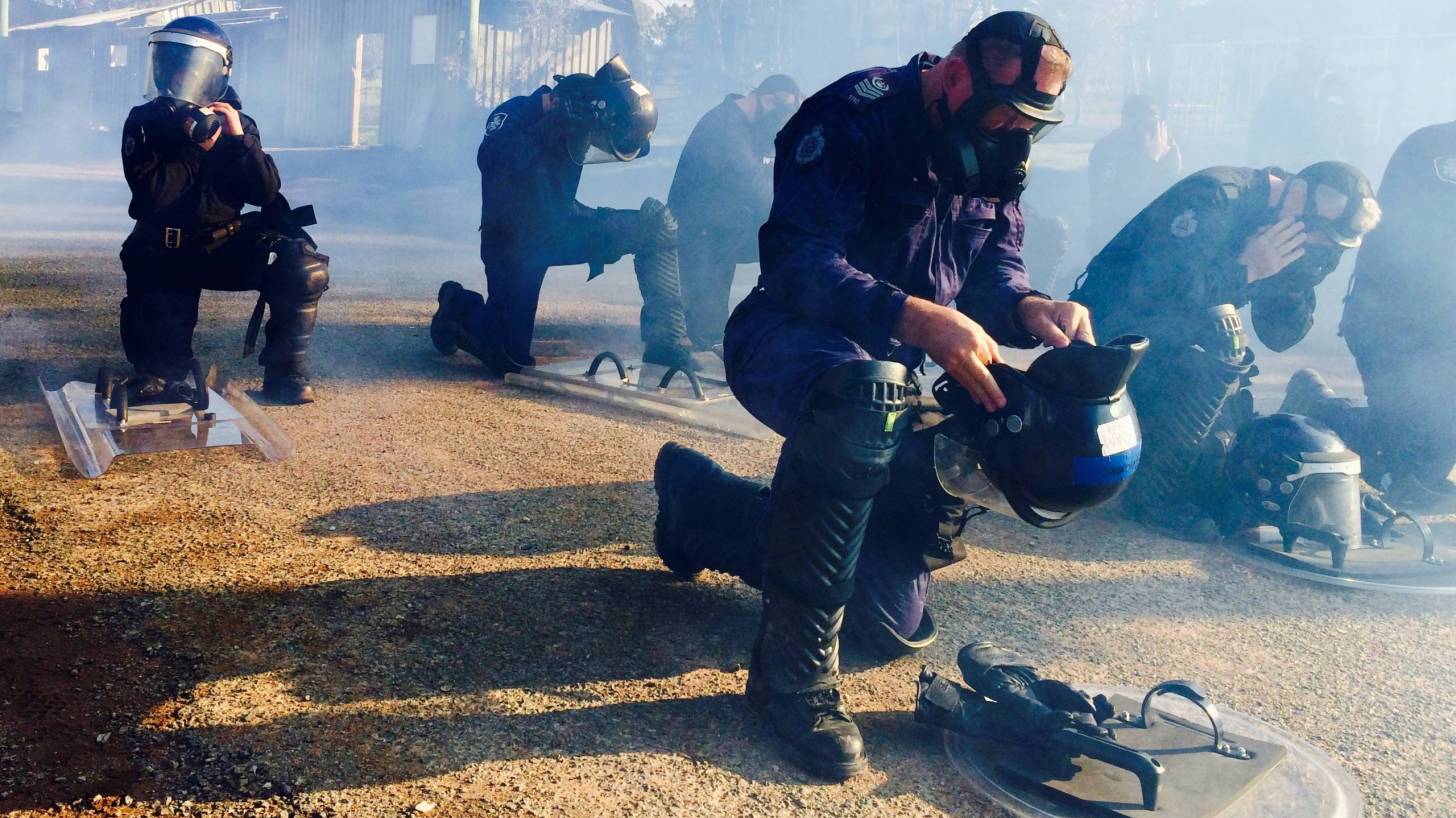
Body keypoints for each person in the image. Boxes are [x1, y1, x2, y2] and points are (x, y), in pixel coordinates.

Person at [652, 12, 1090, 780]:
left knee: (887, 621)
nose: (1014, 134)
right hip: (787, 339)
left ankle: (702, 507)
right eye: (1002, 112)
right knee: (866, 400)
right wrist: (914, 317)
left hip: (889, 366)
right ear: (955, 78)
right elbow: (796, 261)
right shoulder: (853, 114)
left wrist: (1030, 308)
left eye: (1030, 122)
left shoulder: (996, 149)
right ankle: (789, 681)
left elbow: (995, 270)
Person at [1069, 161, 1380, 533]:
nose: (1320, 247)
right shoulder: (1215, 197)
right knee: (1200, 459)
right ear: (1298, 196)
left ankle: (1309, 405)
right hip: (1112, 342)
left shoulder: (1278, 228)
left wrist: (1294, 277)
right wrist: (1245, 269)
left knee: (1231, 469)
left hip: (1182, 355)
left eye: (1333, 244)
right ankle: (1150, 500)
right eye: (1322, 235)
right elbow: (1154, 291)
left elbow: (1280, 336)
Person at [431, 56, 696, 374]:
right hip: (514, 243)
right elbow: (492, 160)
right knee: (508, 359)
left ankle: (665, 342)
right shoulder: (515, 112)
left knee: (654, 227)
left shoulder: (581, 115)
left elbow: (633, 142)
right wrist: (549, 126)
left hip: (562, 224)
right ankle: (455, 307)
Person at [120, 16, 328, 404]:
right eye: (172, 66)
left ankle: (286, 373)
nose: (180, 78)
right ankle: (160, 369)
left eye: (191, 68)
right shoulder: (145, 124)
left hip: (223, 246)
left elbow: (265, 192)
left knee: (303, 266)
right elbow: (151, 197)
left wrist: (237, 142)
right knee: (163, 383)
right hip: (164, 252)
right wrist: (196, 150)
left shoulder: (238, 124)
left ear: (216, 72)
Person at [1280, 121, 1456, 510]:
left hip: (1442, 329)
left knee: (1428, 452)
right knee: (1406, 465)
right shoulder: (1436, 149)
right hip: (1397, 323)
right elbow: (1428, 247)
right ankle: (1316, 409)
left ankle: (1415, 459)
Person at [667, 75, 801, 351]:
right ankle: (683, 345)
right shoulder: (724, 126)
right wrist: (787, 220)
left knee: (794, 248)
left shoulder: (756, 126)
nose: (780, 122)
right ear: (765, 100)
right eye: (780, 113)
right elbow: (753, 186)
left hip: (728, 227)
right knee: (708, 327)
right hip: (700, 231)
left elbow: (775, 177)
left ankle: (781, 328)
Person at [1086, 95, 1182, 252]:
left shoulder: (1166, 146)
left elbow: (1175, 189)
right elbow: (1125, 198)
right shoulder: (1108, 149)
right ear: (1125, 121)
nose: (1146, 128)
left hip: (1153, 237)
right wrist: (1149, 159)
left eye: (1153, 121)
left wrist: (1170, 153)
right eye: (1140, 120)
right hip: (1114, 238)